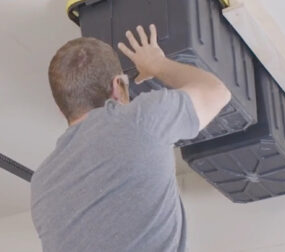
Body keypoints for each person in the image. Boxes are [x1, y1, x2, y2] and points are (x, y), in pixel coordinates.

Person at [30, 24, 231, 252]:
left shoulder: (41, 182)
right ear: (118, 85)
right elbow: (216, 92)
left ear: (61, 109)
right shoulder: (139, 120)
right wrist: (157, 64)